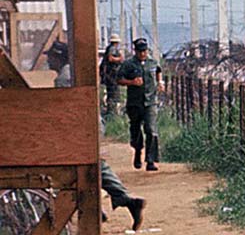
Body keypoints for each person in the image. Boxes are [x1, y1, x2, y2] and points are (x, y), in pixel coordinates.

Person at [45, 41, 146, 231]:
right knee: (91, 165)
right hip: (87, 125)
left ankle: (118, 202)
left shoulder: (64, 78)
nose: (48, 60)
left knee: (76, 166)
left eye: (51, 56)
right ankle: (109, 205)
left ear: (58, 56)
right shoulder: (70, 73)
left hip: (79, 127)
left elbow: (64, 108)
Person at [117, 38, 164, 171]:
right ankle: (138, 151)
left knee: (151, 130)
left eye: (144, 51)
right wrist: (131, 82)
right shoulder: (128, 64)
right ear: (135, 51)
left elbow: (158, 71)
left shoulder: (152, 62)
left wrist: (160, 83)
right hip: (135, 102)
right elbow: (119, 79)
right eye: (140, 51)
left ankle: (150, 160)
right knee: (136, 130)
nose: (142, 53)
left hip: (150, 102)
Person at [100, 34, 124, 116]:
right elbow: (110, 58)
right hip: (111, 75)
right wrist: (119, 59)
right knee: (113, 94)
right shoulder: (112, 49)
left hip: (110, 75)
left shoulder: (109, 48)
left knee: (112, 94)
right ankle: (112, 112)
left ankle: (111, 112)